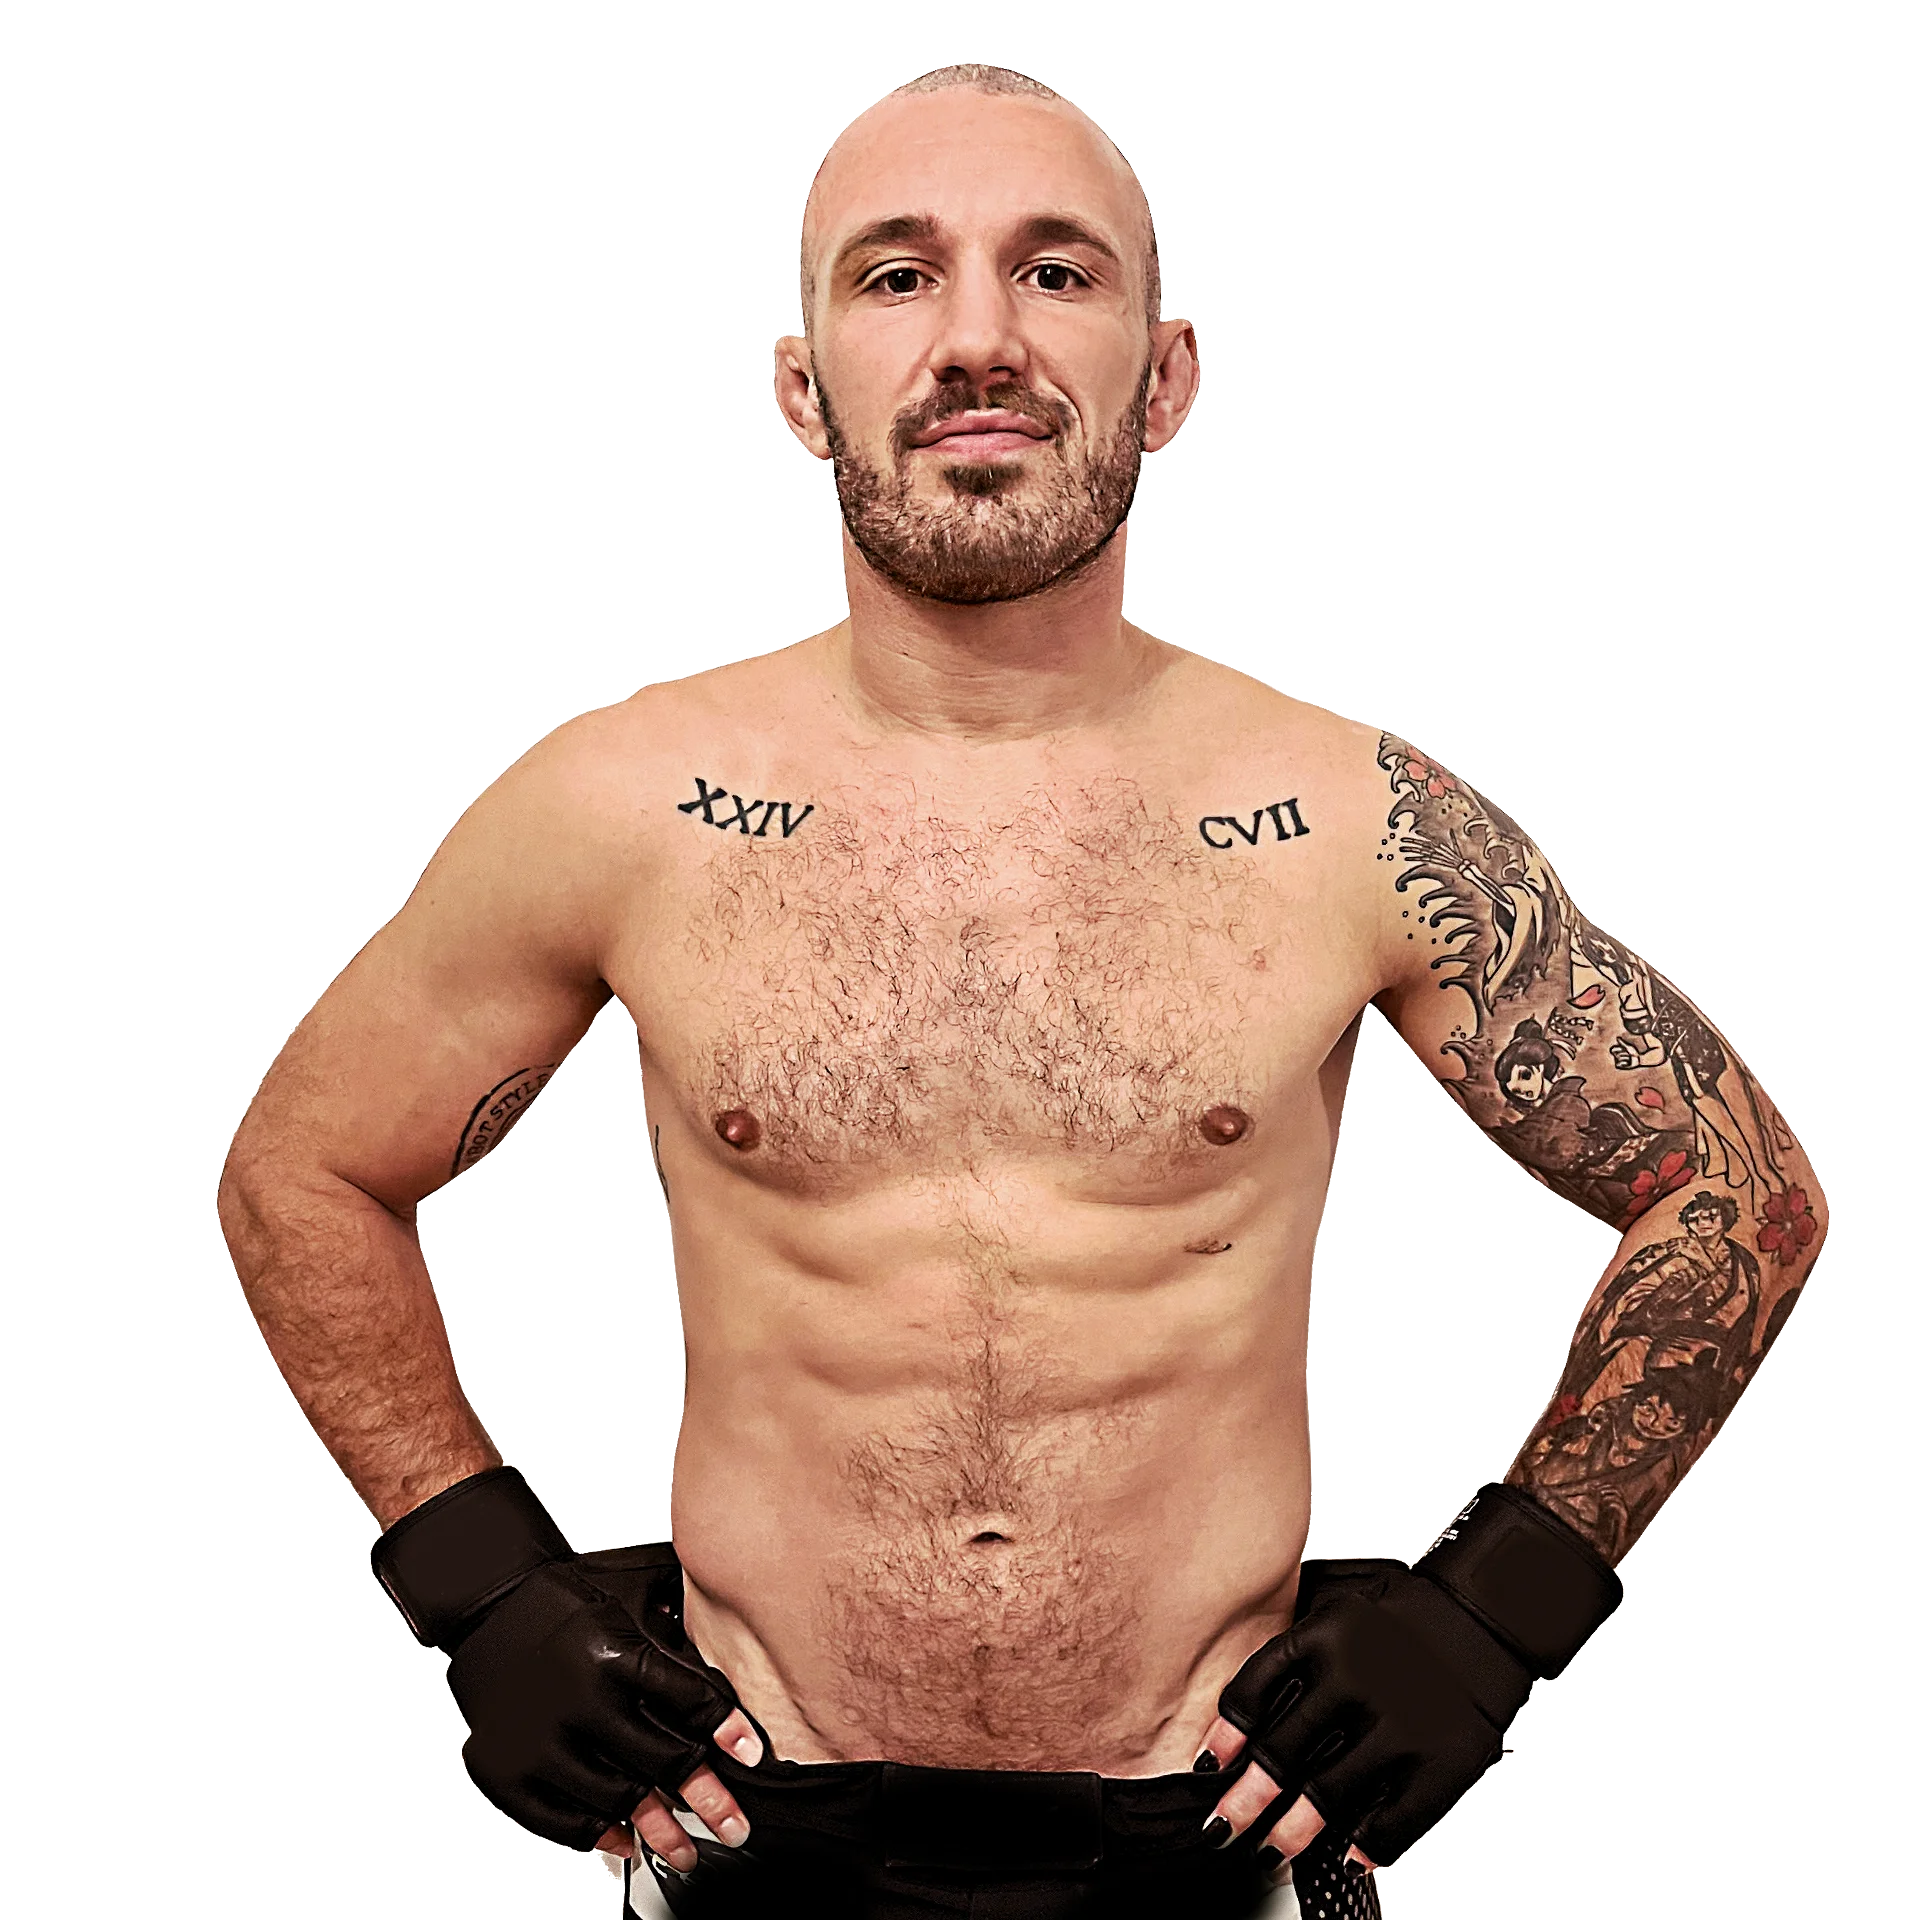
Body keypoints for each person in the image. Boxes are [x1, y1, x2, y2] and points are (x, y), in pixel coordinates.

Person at [217, 62, 1830, 1920]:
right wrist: (478, 1581)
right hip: (751, 1823)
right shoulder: (621, 802)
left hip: (1210, 1831)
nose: (978, 339)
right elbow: (302, 1173)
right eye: (897, 276)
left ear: (1169, 377)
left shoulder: (1350, 817)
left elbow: (1741, 1193)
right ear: (799, 390)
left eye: (1057, 273)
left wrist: (1495, 1614)